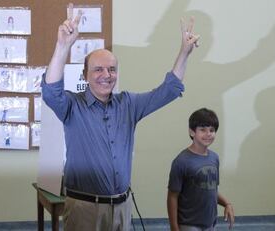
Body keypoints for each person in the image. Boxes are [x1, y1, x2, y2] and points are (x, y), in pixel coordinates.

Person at [41, 3, 200, 231]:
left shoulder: (129, 104)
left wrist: (184, 52)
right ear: (85, 75)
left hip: (122, 208)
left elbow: (170, 90)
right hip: (84, 209)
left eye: (112, 69)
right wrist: (62, 45)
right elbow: (51, 90)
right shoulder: (72, 106)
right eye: (98, 70)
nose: (107, 75)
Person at [167, 108, 235, 231]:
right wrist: (174, 227)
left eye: (212, 130)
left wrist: (227, 203)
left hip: (210, 224)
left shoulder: (214, 158)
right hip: (189, 224)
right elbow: (172, 197)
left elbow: (211, 188)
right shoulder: (181, 161)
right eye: (202, 130)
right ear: (192, 132)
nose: (208, 134)